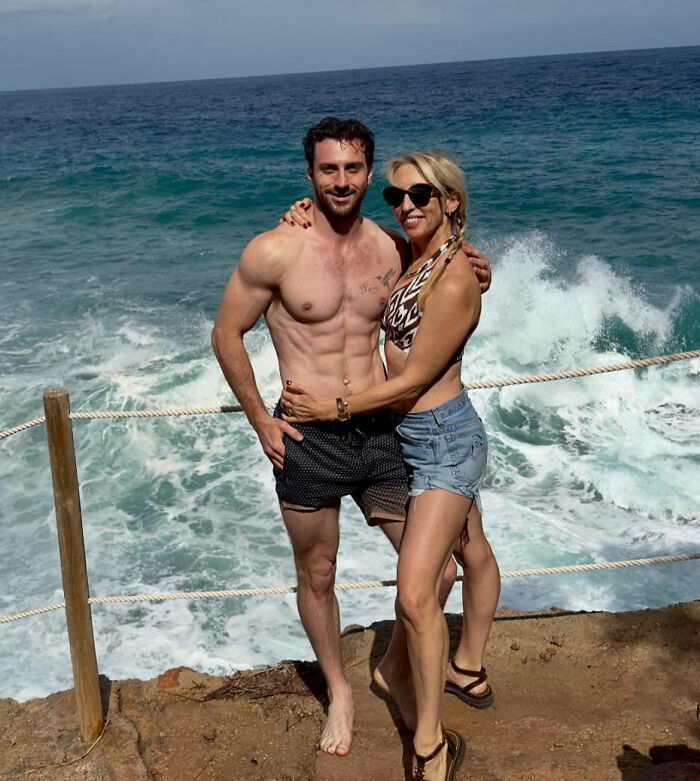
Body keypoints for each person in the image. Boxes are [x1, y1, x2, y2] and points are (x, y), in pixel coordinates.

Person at [211, 117, 492, 759]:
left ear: (370, 173)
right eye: (328, 169)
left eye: (354, 169)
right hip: (307, 439)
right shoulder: (275, 250)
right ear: (310, 174)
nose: (342, 181)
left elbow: (448, 277)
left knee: (439, 572)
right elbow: (226, 333)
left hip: (383, 430)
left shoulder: (395, 248)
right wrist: (260, 418)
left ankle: (393, 666)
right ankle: (338, 688)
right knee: (318, 572)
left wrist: (481, 266)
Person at [280, 150, 500, 780]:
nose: (406, 206)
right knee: (462, 555)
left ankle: (430, 742)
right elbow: (347, 257)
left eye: (421, 196)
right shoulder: (416, 257)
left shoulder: (455, 276)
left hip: (443, 439)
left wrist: (333, 405)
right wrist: (306, 215)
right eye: (396, 196)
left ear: (450, 200)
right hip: (406, 435)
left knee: (417, 590)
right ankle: (444, 668)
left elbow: (417, 376)